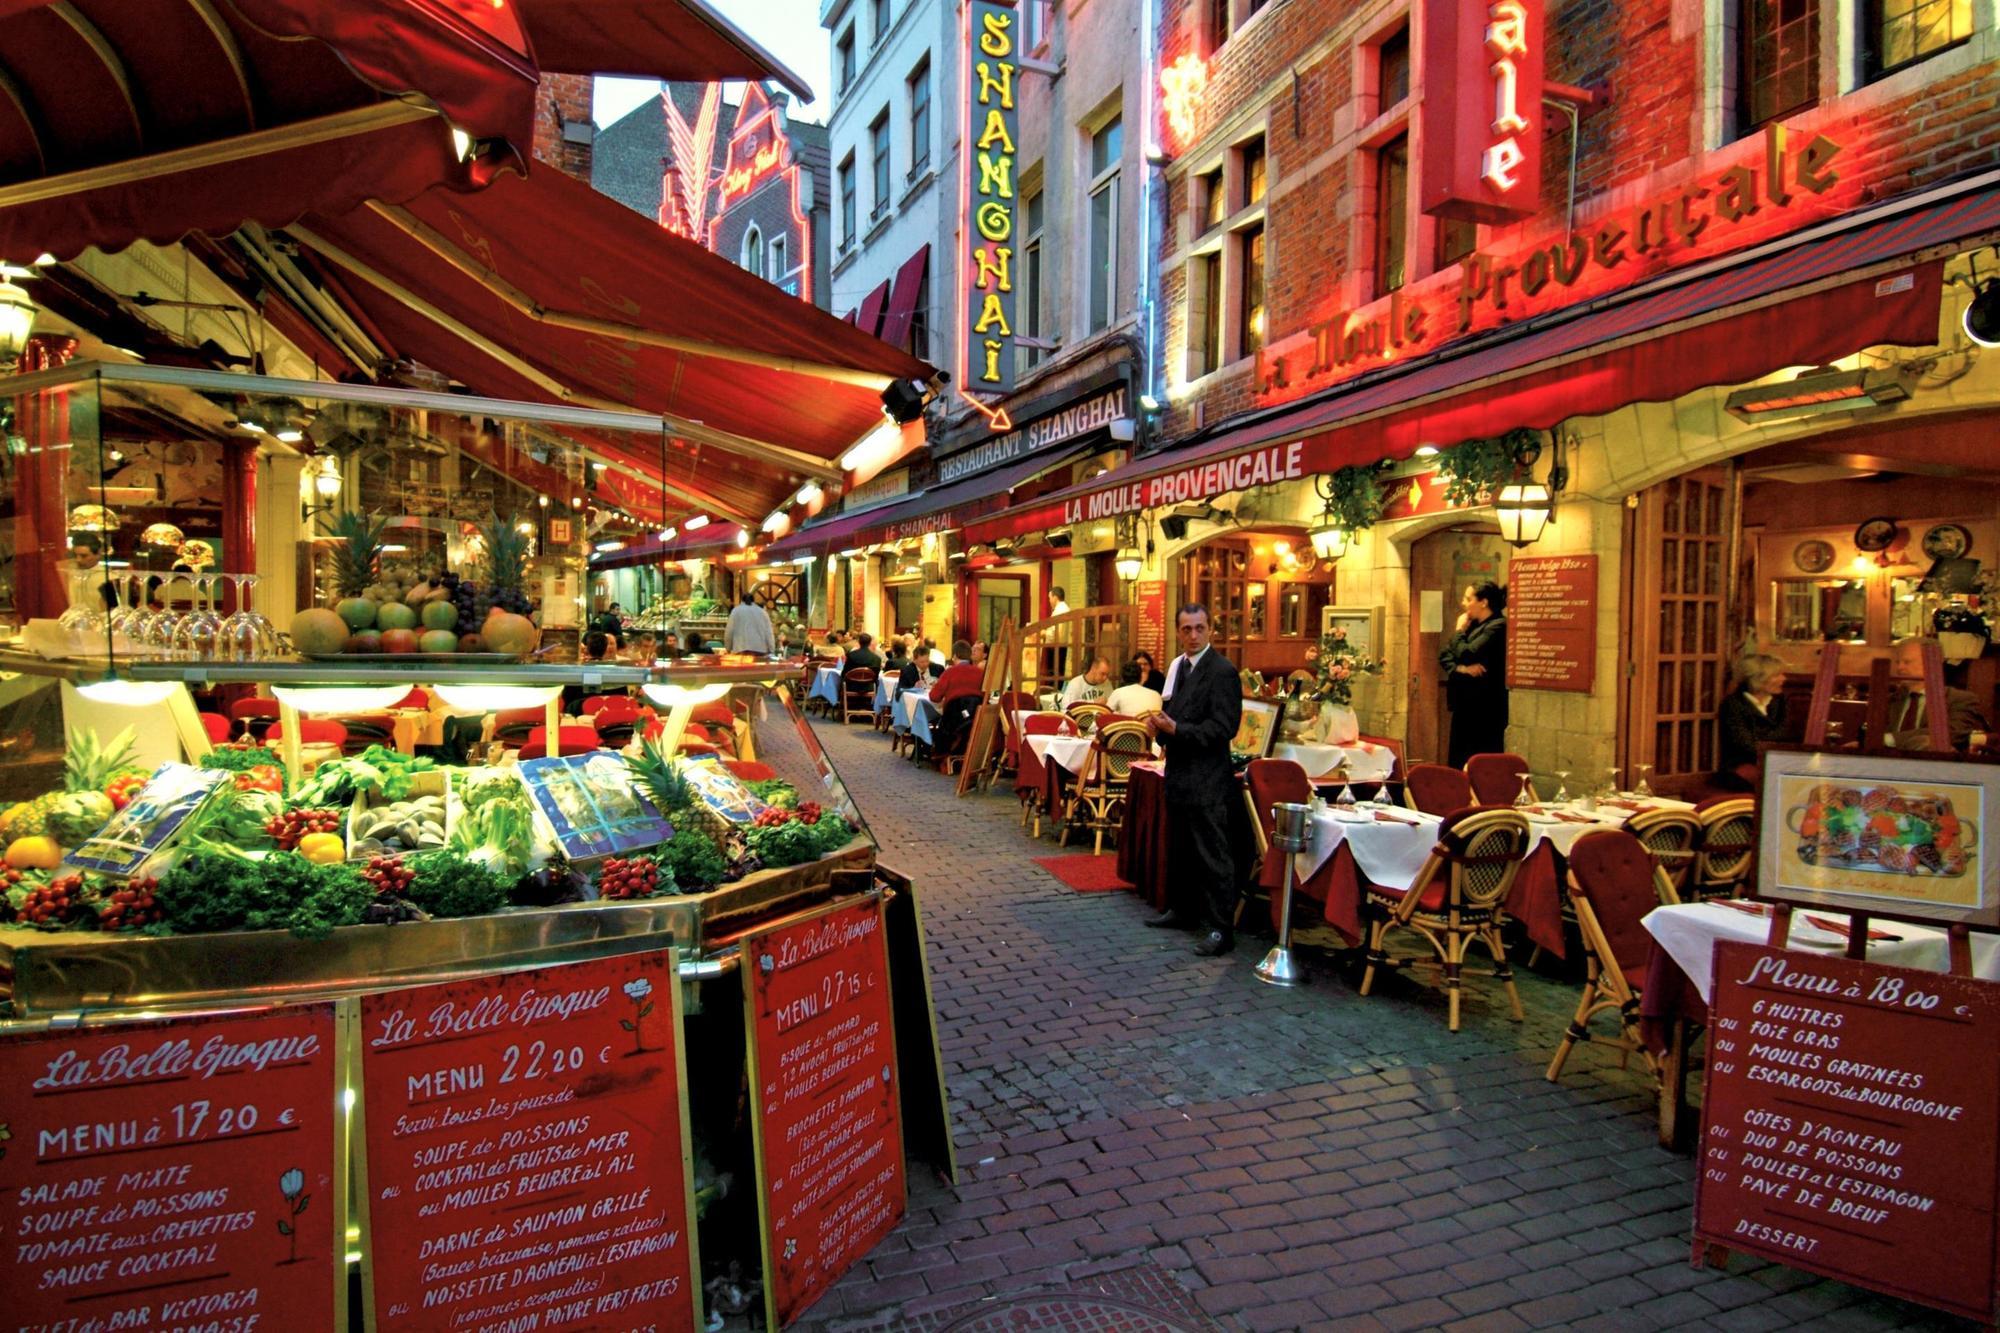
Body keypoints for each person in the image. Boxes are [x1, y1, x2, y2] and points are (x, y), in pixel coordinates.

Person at [1148, 604, 1244, 956]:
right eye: (1186, 629)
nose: (1192, 635)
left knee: (1213, 854)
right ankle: (1183, 911)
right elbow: (1174, 712)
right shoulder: (1180, 668)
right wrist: (1159, 727)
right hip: (1179, 775)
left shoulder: (1222, 671)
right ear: (1178, 631)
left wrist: (1177, 729)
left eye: (1199, 628)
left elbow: (1223, 728)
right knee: (1181, 848)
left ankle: (1221, 928)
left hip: (1207, 778)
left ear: (1210, 631)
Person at [1438, 581, 1508, 767]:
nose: (1463, 603)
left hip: (1484, 708)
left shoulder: (1497, 626)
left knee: (1477, 762)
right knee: (1458, 760)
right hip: (1463, 705)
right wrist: (1461, 669)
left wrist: (1459, 632)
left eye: (1468, 599)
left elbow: (1468, 653)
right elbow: (1445, 654)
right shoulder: (1472, 625)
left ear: (1483, 602)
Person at [1714, 652, 1788, 789]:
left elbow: (1787, 734)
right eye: (1776, 675)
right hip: (1741, 765)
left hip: (1776, 761)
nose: (1783, 679)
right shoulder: (1733, 705)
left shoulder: (1781, 701)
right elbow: (1744, 745)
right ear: (1758, 679)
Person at [931, 640, 985, 708]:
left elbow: (934, 697)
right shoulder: (981, 673)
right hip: (975, 716)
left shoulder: (949, 672)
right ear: (969, 655)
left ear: (954, 656)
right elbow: (986, 697)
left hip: (953, 716)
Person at [723, 591, 776, 655]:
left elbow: (729, 631)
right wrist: (771, 649)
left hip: (740, 650)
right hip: (759, 651)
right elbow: (769, 633)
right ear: (753, 600)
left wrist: (728, 648)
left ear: (741, 601)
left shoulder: (736, 611)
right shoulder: (762, 612)